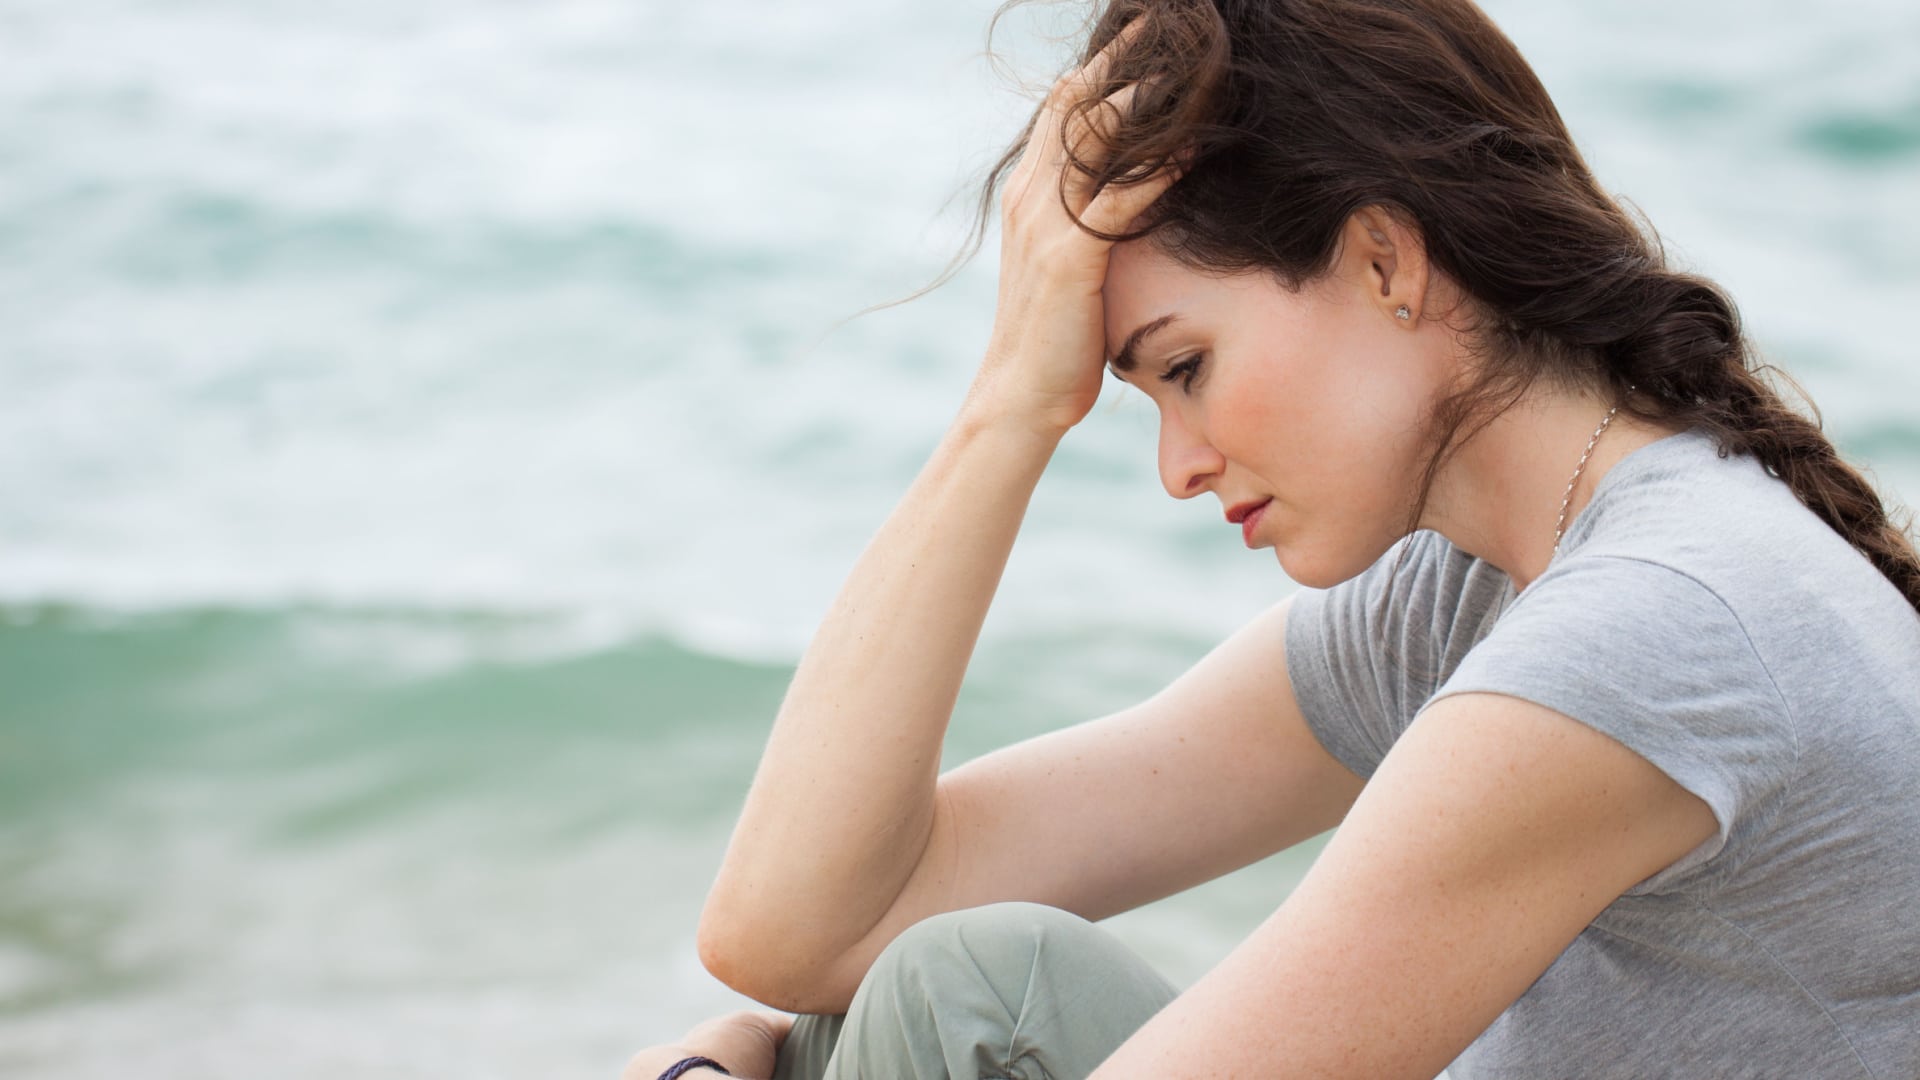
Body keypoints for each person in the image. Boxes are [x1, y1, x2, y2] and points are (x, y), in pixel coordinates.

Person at [627, 0, 1920, 1076]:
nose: (1178, 469)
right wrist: (1009, 409)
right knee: (936, 985)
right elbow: (797, 926)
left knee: (937, 1010)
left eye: (1183, 366)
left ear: (1382, 263)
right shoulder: (1472, 602)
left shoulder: (1654, 625)